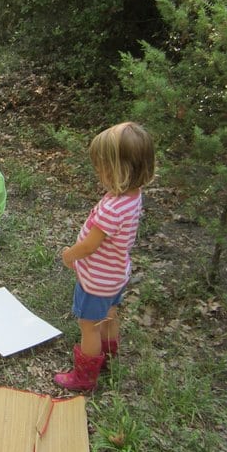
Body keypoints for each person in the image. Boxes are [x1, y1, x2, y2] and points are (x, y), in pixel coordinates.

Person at [55, 122, 155, 391]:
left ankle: (85, 376)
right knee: (110, 314)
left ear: (117, 170)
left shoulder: (111, 208)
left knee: (89, 325)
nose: (98, 173)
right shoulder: (133, 196)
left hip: (96, 281)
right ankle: (109, 354)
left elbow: (90, 246)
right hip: (116, 275)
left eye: (101, 168)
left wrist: (70, 255)